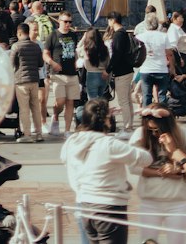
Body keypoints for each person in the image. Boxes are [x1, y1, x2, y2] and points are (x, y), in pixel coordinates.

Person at [61, 97, 150, 244]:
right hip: (108, 208)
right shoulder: (109, 144)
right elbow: (145, 159)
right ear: (106, 120)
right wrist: (142, 131)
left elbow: (66, 161)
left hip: (84, 203)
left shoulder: (72, 141)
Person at [129, 104, 186, 244]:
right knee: (147, 241)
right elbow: (132, 167)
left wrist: (179, 168)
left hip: (178, 202)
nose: (154, 133)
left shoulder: (183, 133)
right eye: (150, 129)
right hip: (149, 201)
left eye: (157, 129)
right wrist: (161, 173)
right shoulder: (140, 134)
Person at [45, 11, 82, 137]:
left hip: (72, 73)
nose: (68, 24)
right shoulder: (53, 35)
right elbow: (45, 53)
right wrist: (52, 63)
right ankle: (55, 116)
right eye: (65, 21)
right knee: (60, 101)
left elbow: (75, 51)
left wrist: (77, 61)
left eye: (70, 22)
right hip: (58, 74)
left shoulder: (73, 35)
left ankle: (67, 130)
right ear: (59, 21)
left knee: (70, 102)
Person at [11, 21, 45, 143]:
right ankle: (39, 133)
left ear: (19, 33)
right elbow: (41, 64)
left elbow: (11, 64)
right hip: (34, 80)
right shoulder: (36, 46)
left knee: (24, 108)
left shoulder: (16, 46)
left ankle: (27, 134)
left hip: (21, 81)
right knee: (35, 107)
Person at [137, 12, 173, 106]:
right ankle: (163, 118)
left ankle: (147, 118)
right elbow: (169, 53)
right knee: (162, 96)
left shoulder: (140, 37)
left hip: (146, 69)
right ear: (157, 24)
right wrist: (172, 68)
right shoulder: (164, 36)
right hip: (161, 69)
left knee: (147, 96)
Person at [81, 25, 111, 104]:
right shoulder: (104, 48)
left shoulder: (86, 48)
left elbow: (77, 48)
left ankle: (94, 115)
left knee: (92, 100)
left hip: (91, 74)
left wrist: (83, 38)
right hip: (103, 75)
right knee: (100, 99)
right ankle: (100, 115)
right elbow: (108, 62)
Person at [167, 11, 186, 77]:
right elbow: (173, 46)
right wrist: (180, 58)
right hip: (179, 57)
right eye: (180, 17)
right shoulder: (173, 30)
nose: (182, 19)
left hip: (185, 56)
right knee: (180, 77)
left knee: (183, 76)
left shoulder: (180, 29)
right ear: (175, 19)